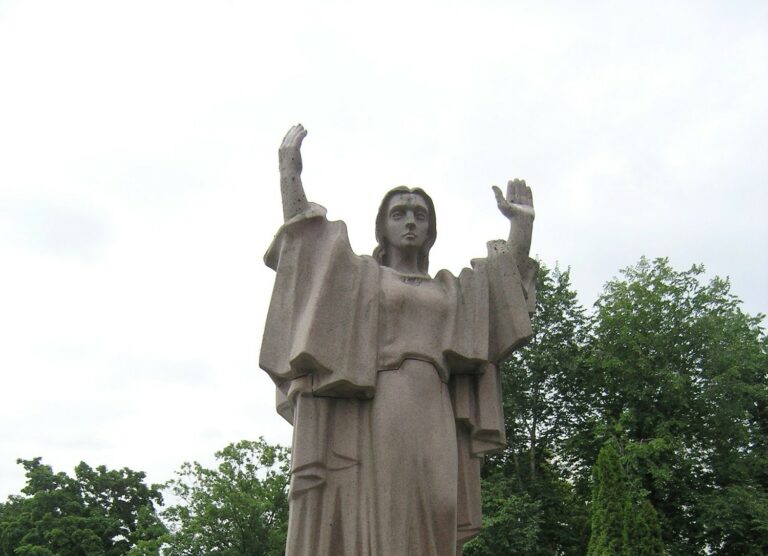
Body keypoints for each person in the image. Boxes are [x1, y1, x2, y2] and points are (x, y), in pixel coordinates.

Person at [259, 124, 537, 556]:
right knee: (392, 510)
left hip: (436, 407)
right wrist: (289, 177)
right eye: (399, 213)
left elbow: (501, 301)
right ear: (382, 228)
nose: (410, 221)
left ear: (431, 229)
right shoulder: (363, 278)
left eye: (419, 214)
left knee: (439, 506)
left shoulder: (450, 289)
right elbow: (308, 251)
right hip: (385, 403)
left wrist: (522, 229)